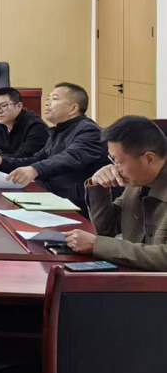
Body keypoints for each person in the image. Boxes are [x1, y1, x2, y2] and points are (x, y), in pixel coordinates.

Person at [0, 83, 109, 216]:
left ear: (73, 108)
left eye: (54, 99)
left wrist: (35, 169)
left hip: (78, 206)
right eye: (48, 98)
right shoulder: (58, 131)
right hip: (54, 197)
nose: (47, 103)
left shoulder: (89, 130)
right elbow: (35, 160)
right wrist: (0, 161)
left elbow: (71, 157)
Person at [64, 116, 167, 270]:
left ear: (149, 159)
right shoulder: (138, 181)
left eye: (118, 162)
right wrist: (98, 186)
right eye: (112, 161)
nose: (115, 168)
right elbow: (108, 229)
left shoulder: (138, 178)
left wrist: (97, 245)